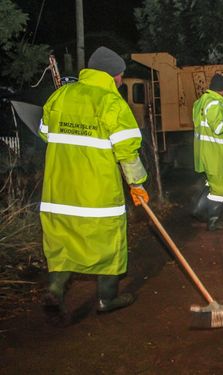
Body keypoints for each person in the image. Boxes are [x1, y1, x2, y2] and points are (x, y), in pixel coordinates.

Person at [39, 46, 149, 322]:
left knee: (62, 242)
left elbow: (44, 133)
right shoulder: (112, 104)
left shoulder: (61, 95)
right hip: (98, 194)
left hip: (59, 190)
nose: (122, 81)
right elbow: (127, 151)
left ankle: (55, 289)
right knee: (109, 243)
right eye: (121, 76)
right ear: (112, 76)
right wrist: (137, 184)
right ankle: (107, 298)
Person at [191, 73, 223, 231]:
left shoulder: (201, 102)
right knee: (220, 189)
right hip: (214, 153)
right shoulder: (215, 104)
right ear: (222, 91)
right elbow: (219, 128)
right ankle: (214, 221)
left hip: (205, 152)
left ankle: (199, 212)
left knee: (211, 184)